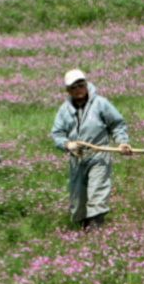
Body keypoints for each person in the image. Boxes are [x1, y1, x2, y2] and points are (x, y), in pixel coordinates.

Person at [51, 69, 132, 230]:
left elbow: (117, 124)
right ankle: (83, 228)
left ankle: (95, 230)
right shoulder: (64, 109)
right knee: (78, 198)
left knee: (97, 192)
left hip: (99, 156)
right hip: (77, 158)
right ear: (68, 91)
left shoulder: (101, 104)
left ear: (86, 85)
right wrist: (68, 145)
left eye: (81, 85)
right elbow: (57, 134)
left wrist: (122, 142)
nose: (78, 89)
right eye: (73, 87)